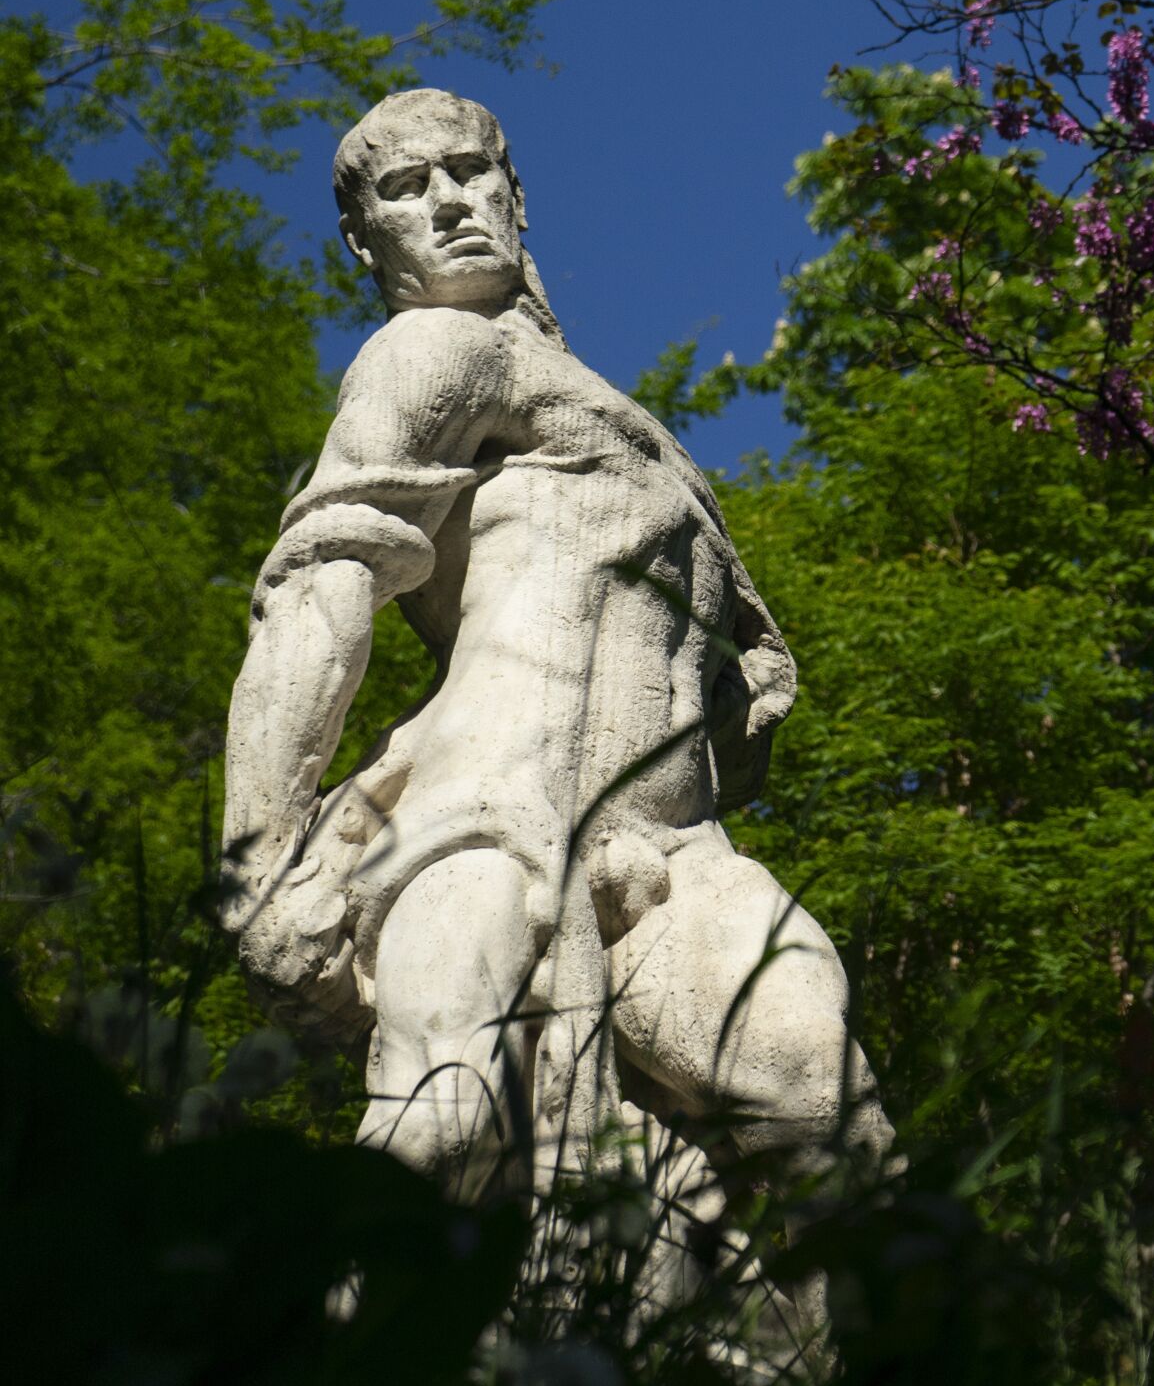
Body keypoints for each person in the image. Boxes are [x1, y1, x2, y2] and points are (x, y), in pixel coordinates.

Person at [222, 88, 891, 1228]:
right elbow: (322, 583)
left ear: (517, 194)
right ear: (365, 238)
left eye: (470, 171)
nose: (447, 200)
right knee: (441, 1135)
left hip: (677, 854)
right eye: (404, 186)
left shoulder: (639, 432)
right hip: (486, 812)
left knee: (834, 1124)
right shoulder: (435, 351)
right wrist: (256, 862)